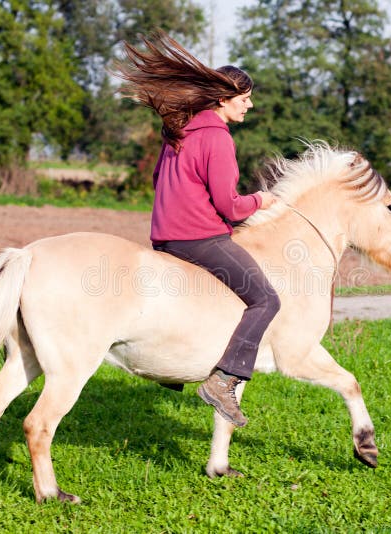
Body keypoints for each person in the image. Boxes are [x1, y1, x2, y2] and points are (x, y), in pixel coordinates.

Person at [115, 32, 281, 427]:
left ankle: (169, 370)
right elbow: (230, 206)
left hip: (164, 239)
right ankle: (224, 381)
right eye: (245, 99)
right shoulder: (217, 138)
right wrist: (262, 200)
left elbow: (159, 179)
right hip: (199, 239)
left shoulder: (179, 130)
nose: (250, 105)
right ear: (223, 100)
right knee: (266, 300)